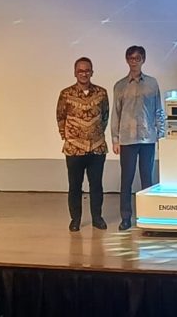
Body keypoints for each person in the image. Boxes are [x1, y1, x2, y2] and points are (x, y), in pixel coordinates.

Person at [111, 45, 166, 231]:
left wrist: (161, 134)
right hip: (127, 139)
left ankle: (147, 216)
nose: (134, 62)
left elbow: (158, 110)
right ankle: (126, 217)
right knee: (126, 179)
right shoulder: (120, 86)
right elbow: (116, 113)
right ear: (127, 60)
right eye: (131, 58)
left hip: (147, 138)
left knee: (147, 179)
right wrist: (115, 139)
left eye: (137, 58)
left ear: (143, 60)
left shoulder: (152, 83)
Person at [56, 56, 109, 232]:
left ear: (92, 72)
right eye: (80, 71)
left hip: (97, 147)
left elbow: (105, 116)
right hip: (74, 149)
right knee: (74, 186)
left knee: (96, 186)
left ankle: (97, 218)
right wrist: (67, 136)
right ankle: (75, 220)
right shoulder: (66, 94)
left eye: (87, 71)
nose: (84, 74)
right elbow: (60, 117)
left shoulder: (101, 93)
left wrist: (94, 134)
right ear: (75, 73)